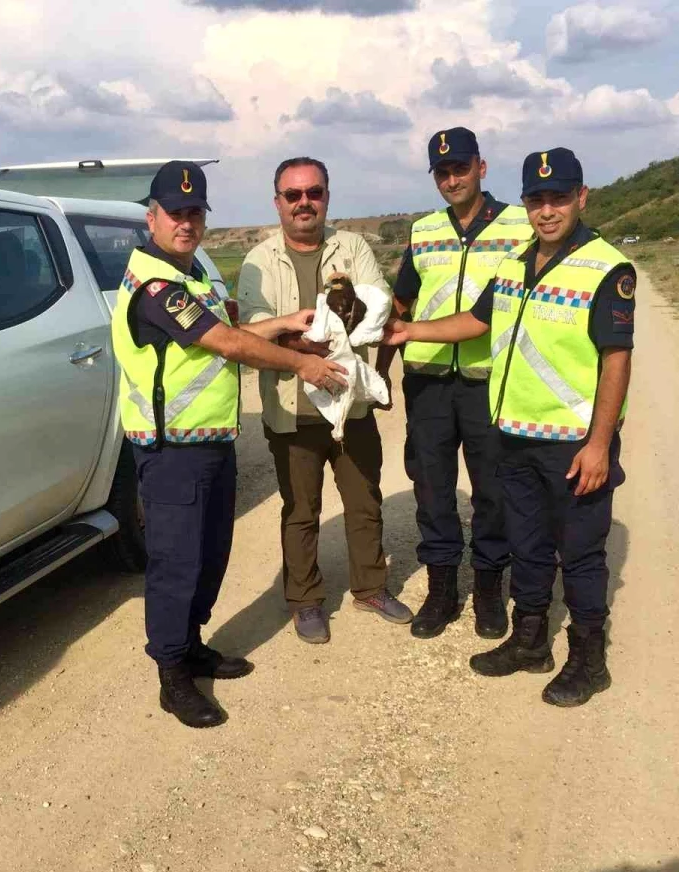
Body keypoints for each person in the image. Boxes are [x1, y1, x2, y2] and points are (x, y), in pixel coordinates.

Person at [382, 147, 635, 707]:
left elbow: (617, 359)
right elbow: (475, 320)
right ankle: (530, 641)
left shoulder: (606, 267)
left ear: (581, 197)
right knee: (528, 544)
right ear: (526, 204)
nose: (548, 211)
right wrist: (408, 333)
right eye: (538, 200)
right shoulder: (516, 265)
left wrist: (599, 444)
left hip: (572, 441)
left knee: (583, 553)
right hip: (514, 433)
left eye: (559, 198)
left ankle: (589, 660)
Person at [111, 160, 348, 727]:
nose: (186, 222)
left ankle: (191, 646)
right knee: (175, 563)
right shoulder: (157, 285)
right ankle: (172, 675)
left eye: (195, 212)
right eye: (176, 212)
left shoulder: (193, 274)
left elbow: (230, 334)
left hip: (210, 442)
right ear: (153, 217)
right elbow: (226, 344)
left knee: (209, 555)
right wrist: (301, 363)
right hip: (171, 451)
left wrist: (287, 321)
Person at [237, 156, 413, 645]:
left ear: (327, 197)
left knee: (363, 500)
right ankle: (306, 600)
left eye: (313, 193)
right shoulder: (258, 260)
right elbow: (255, 329)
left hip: (351, 402)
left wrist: (338, 323)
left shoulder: (351, 246)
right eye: (292, 195)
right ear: (278, 203)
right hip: (293, 408)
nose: (303, 203)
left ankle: (371, 587)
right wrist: (302, 351)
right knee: (300, 510)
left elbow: (375, 303)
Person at [377, 127, 534, 642]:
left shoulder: (519, 225)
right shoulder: (424, 231)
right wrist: (380, 370)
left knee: (492, 491)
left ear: (481, 168)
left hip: (489, 381)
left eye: (460, 168)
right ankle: (442, 589)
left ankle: (489, 587)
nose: (452, 178)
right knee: (432, 490)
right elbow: (400, 304)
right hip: (428, 382)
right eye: (442, 172)